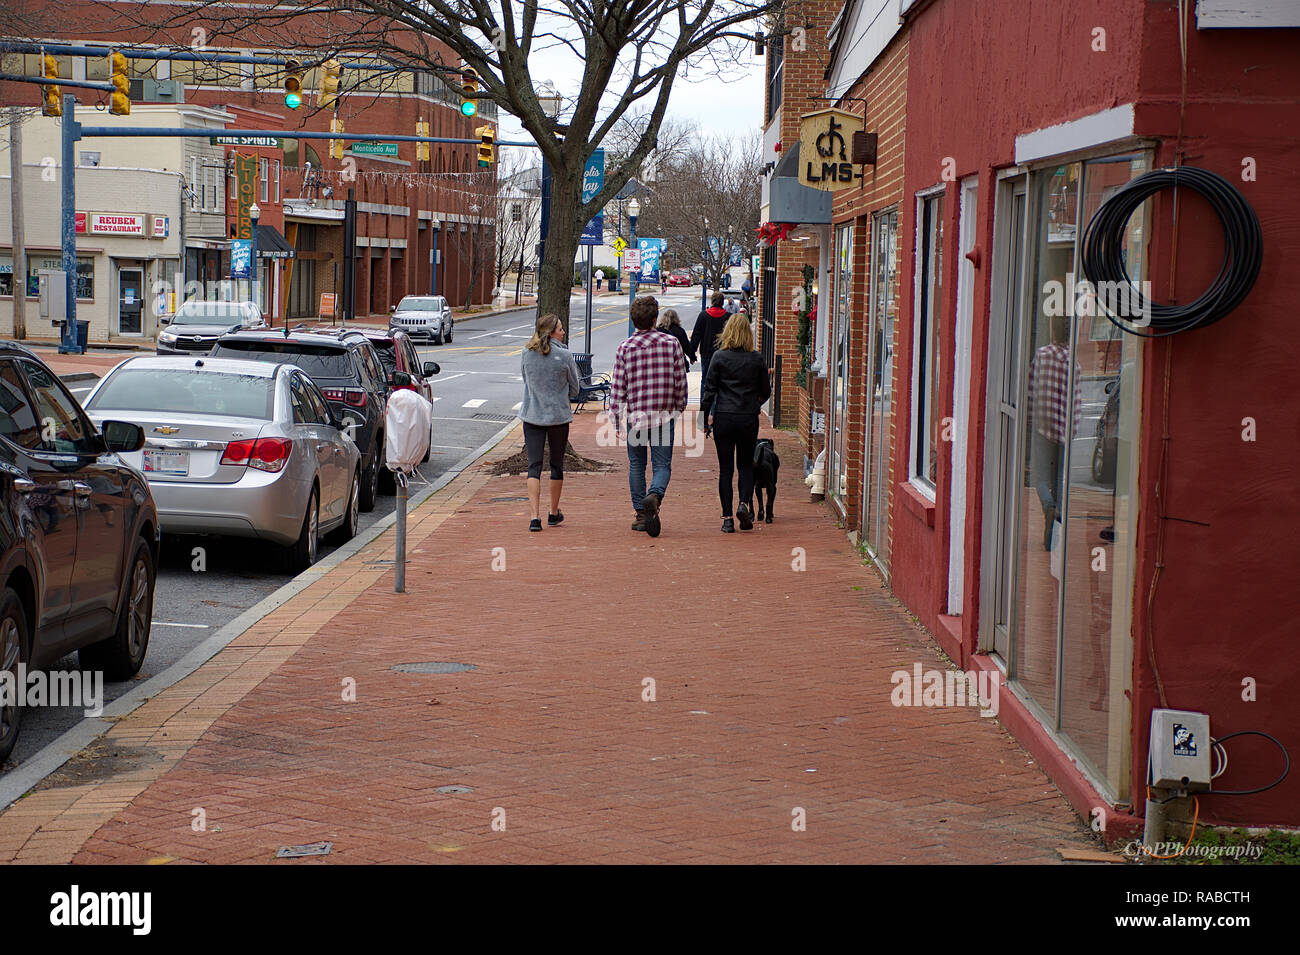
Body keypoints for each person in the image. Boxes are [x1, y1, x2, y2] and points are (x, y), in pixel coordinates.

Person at [609, 296, 688, 538]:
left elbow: (618, 387)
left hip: (636, 417)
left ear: (634, 321)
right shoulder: (671, 343)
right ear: (654, 320)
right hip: (663, 415)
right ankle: (654, 494)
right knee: (662, 465)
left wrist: (616, 417)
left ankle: (641, 514)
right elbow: (680, 381)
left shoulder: (625, 348)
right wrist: (679, 405)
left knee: (637, 464)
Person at [701, 313, 771, 533]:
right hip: (748, 417)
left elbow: (709, 391)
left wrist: (703, 420)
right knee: (745, 466)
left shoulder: (719, 357)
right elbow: (766, 391)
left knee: (725, 469)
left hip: (724, 416)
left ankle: (728, 519)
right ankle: (744, 503)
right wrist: (754, 402)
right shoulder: (756, 358)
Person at [519, 313, 580, 532]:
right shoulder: (564, 356)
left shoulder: (527, 353)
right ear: (552, 332)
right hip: (558, 417)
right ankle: (553, 513)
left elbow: (526, 380)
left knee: (533, 466)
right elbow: (575, 388)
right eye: (561, 329)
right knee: (556, 464)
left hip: (532, 415)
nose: (563, 333)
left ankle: (534, 518)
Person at [689, 291, 730, 386]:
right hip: (723, 353)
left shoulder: (703, 316)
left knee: (705, 379)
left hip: (706, 353)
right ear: (722, 302)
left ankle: (705, 400)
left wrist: (692, 354)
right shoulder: (728, 317)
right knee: (721, 381)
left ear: (712, 301)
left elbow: (696, 336)